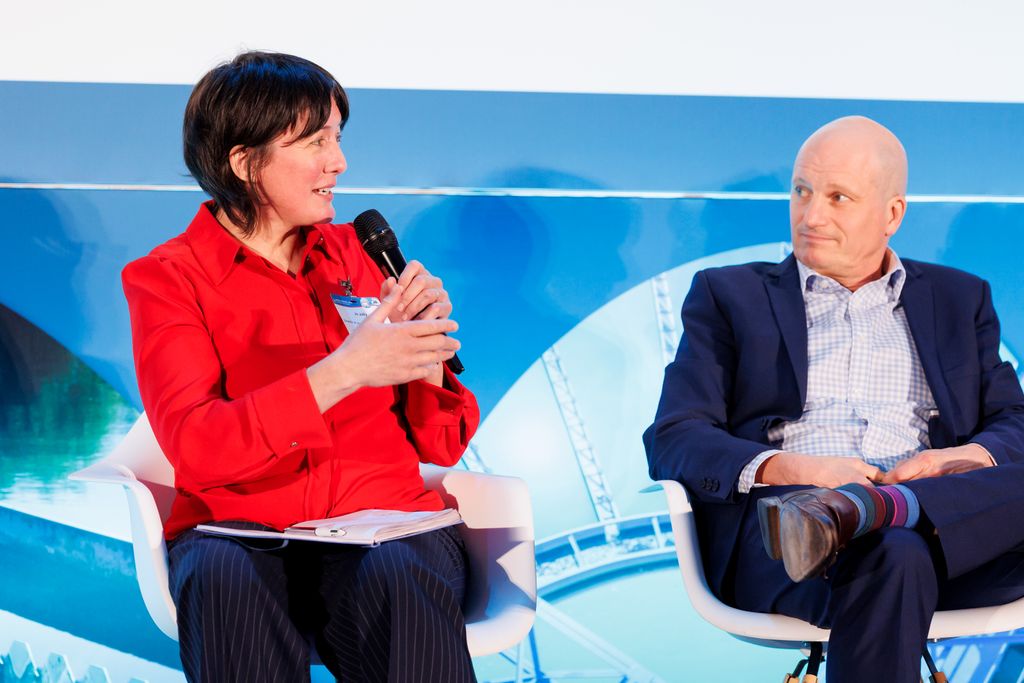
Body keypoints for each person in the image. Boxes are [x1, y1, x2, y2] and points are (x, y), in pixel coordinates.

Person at [122, 51, 479, 683]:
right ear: (244, 162)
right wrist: (344, 371)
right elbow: (197, 446)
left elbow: (441, 443)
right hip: (241, 534)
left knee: (400, 572)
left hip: (386, 528)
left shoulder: (359, 255)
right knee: (222, 576)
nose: (338, 162)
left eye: (337, 139)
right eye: (316, 142)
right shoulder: (169, 279)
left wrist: (423, 354)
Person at [644, 115, 1024, 683]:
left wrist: (963, 459)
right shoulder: (729, 295)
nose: (811, 215)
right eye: (801, 191)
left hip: (956, 538)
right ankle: (873, 513)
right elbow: (675, 437)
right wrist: (797, 469)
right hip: (792, 540)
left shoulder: (958, 297)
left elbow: (1013, 421)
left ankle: (888, 507)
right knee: (894, 554)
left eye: (838, 197)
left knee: (900, 544)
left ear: (892, 214)